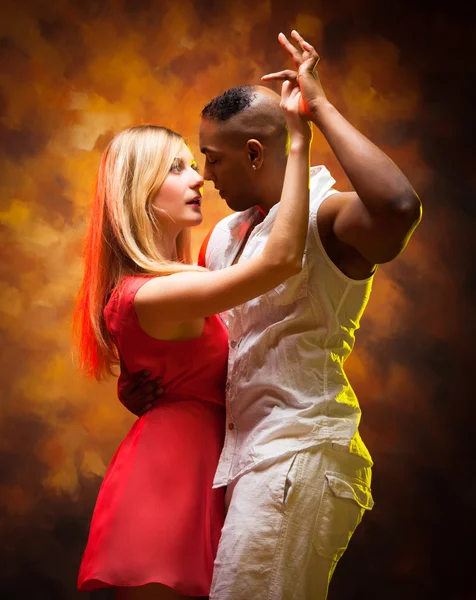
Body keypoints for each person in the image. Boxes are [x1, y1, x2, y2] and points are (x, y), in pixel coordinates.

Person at [122, 31, 422, 599]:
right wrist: (157, 388)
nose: (205, 177)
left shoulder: (324, 214)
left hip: (298, 451)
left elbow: (398, 208)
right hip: (244, 461)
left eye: (211, 159)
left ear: (255, 154)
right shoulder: (224, 235)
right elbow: (214, 340)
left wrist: (321, 109)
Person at [73, 73, 312, 600]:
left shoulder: (182, 278)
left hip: (202, 463)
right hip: (172, 477)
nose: (200, 178)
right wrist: (296, 143)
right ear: (140, 192)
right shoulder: (156, 293)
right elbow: (281, 261)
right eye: (178, 168)